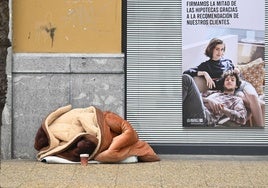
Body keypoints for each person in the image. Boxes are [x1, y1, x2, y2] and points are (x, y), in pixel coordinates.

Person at [34, 105, 160, 163]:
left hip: (94, 137)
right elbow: (102, 117)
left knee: (72, 143)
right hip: (96, 124)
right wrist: (94, 131)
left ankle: (50, 137)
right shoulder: (129, 135)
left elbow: (104, 156)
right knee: (77, 130)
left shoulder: (128, 147)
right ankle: (50, 135)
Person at [183, 38, 264, 127]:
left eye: (222, 49)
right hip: (232, 89)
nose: (220, 52)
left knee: (253, 96)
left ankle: (260, 130)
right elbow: (187, 73)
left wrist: (236, 70)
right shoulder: (206, 66)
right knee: (258, 104)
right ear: (211, 49)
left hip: (242, 83)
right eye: (217, 49)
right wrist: (204, 73)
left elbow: (235, 73)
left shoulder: (227, 61)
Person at [183, 70, 247, 127]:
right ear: (223, 84)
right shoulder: (212, 92)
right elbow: (195, 97)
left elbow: (242, 118)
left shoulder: (236, 99)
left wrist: (222, 109)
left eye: (232, 80)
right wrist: (208, 100)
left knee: (187, 79)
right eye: (227, 79)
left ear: (236, 85)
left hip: (205, 119)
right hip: (189, 115)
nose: (229, 81)